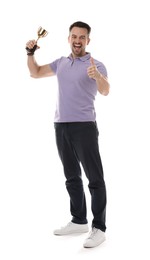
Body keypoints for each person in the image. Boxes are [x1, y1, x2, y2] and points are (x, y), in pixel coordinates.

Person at [26, 21, 110, 248]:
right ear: (69, 38)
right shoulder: (62, 63)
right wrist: (30, 53)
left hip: (84, 127)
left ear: (88, 41)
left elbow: (105, 90)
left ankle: (99, 227)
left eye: (82, 37)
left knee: (95, 179)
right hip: (61, 125)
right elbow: (35, 73)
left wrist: (97, 76)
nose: (77, 40)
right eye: (74, 36)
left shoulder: (96, 65)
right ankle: (79, 220)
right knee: (72, 177)